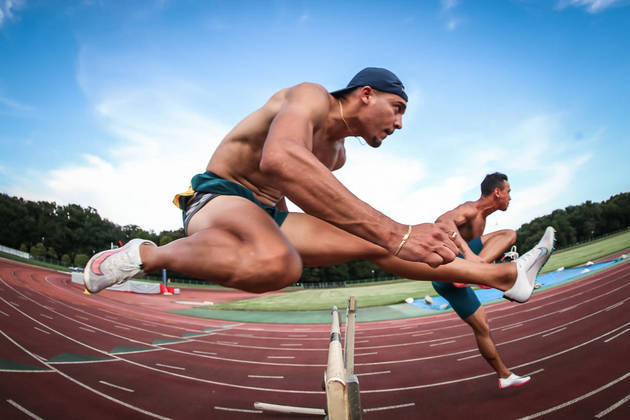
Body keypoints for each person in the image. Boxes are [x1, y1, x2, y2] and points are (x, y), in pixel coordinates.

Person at [83, 67, 554, 305]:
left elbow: (312, 197)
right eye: (397, 108)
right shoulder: (310, 97)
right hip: (218, 194)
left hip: (268, 212)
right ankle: (143, 256)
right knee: (282, 264)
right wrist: (396, 231)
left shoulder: (338, 154)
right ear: (365, 94)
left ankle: (507, 279)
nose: (399, 123)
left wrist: (393, 236)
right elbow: (279, 158)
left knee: (375, 241)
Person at [432, 172, 532, 389]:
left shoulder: (482, 219)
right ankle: (477, 271)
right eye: (509, 192)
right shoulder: (471, 209)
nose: (510, 197)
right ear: (498, 192)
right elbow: (441, 222)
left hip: (447, 281)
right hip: (449, 268)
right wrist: (468, 255)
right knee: (508, 235)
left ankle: (504, 375)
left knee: (482, 327)